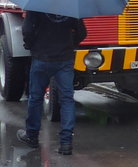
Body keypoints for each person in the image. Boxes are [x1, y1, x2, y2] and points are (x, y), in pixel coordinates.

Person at [16, 11, 87, 155]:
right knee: (67, 99)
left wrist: (31, 45)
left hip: (41, 58)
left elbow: (27, 30)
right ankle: (66, 143)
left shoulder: (36, 5)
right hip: (64, 60)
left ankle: (32, 136)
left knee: (36, 97)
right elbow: (82, 32)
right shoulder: (70, 6)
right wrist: (70, 44)